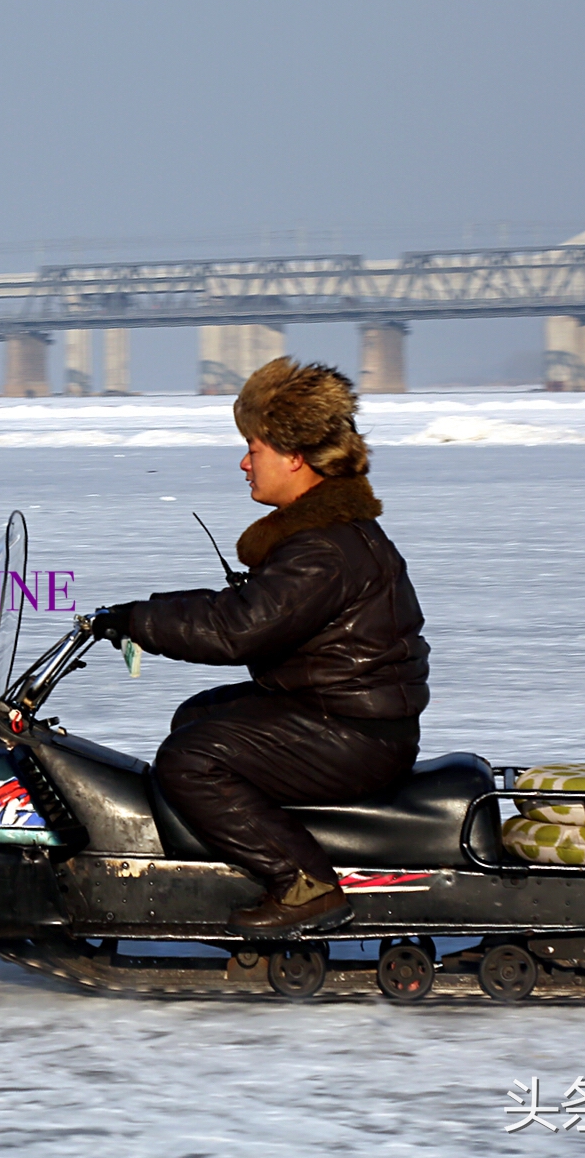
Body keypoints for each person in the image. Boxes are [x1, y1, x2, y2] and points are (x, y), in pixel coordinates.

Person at [88, 358, 430, 938]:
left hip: (354, 735)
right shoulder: (325, 534)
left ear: (294, 455)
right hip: (346, 715)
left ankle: (305, 886)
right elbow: (252, 609)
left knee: (191, 759)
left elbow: (236, 629)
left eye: (255, 447)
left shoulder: (321, 549)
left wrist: (141, 621)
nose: (245, 462)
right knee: (200, 715)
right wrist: (136, 614)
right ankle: (238, 856)